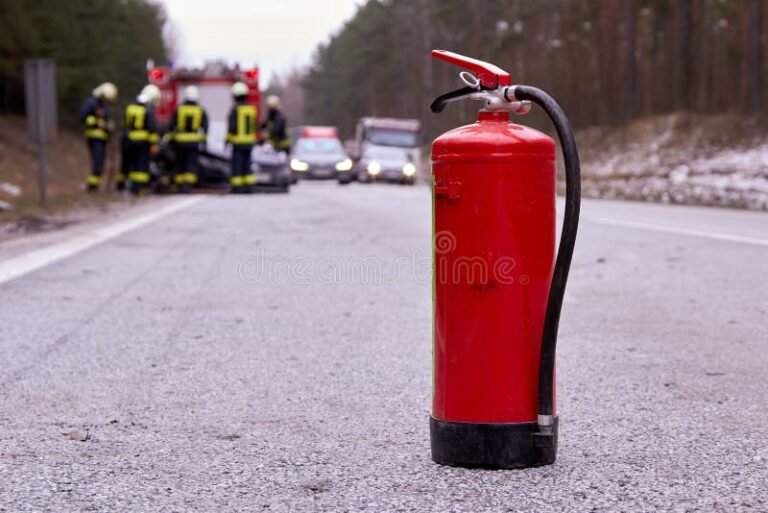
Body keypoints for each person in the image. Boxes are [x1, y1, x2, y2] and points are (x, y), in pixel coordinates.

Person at [121, 84, 160, 196]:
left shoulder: (130, 108)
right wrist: (154, 144)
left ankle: (132, 187)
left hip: (130, 141)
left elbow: (125, 125)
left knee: (132, 165)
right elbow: (152, 128)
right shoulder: (148, 109)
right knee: (141, 166)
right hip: (143, 142)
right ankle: (140, 189)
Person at [169, 85, 208, 193]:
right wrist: (204, 141)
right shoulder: (200, 110)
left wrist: (172, 139)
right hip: (193, 141)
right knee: (191, 164)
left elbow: (172, 125)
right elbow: (205, 126)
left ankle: (179, 186)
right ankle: (188, 186)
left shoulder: (179, 109)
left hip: (180, 141)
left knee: (180, 163)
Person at [79, 82, 118, 191]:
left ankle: (94, 185)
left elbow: (108, 120)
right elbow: (83, 117)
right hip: (94, 137)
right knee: (98, 162)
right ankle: (92, 187)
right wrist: (97, 123)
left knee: (100, 162)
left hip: (103, 138)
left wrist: (110, 126)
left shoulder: (103, 106)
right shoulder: (91, 103)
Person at [226, 82, 257, 193]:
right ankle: (248, 187)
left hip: (238, 142)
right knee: (247, 165)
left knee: (237, 165)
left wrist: (227, 140)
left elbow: (232, 127)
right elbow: (254, 125)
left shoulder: (235, 109)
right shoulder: (251, 109)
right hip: (249, 142)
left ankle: (237, 188)